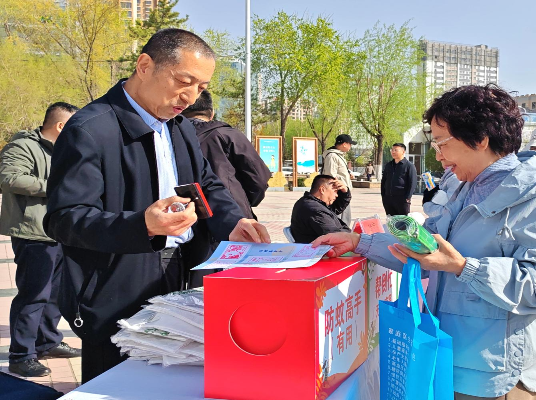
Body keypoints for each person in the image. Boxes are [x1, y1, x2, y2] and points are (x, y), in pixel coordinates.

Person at [313, 84, 536, 399]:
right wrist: (359, 242)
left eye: (441, 143)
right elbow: (427, 251)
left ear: (480, 139)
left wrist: (464, 267)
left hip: (498, 374)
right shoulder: (464, 188)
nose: (438, 156)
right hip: (451, 358)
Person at [44, 28, 270, 383]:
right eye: (184, 81)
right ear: (145, 66)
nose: (191, 96)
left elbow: (205, 185)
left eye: (201, 87)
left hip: (180, 276)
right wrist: (142, 225)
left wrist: (234, 223)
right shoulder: (90, 129)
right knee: (117, 385)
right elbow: (64, 219)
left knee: (173, 382)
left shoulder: (179, 128)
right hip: (116, 288)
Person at [0, 103, 82, 377]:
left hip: (60, 231)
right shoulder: (22, 146)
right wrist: (58, 189)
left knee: (55, 294)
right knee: (34, 295)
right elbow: (9, 178)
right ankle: (21, 355)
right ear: (61, 126)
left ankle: (47, 341)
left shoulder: (64, 150)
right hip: (33, 232)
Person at [181, 90, 272, 220]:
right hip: (231, 215)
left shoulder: (170, 137)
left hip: (186, 217)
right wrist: (243, 199)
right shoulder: (227, 135)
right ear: (212, 113)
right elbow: (258, 177)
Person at [289, 174, 352, 243]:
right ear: (322, 190)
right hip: (321, 247)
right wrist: (353, 236)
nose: (336, 195)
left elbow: (336, 208)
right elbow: (335, 236)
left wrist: (345, 192)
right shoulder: (314, 209)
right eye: (335, 191)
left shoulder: (312, 203)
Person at [322, 134, 356, 225]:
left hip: (343, 192)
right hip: (338, 193)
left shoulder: (338, 156)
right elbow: (329, 176)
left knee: (345, 219)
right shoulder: (332, 156)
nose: (350, 146)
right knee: (339, 220)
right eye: (350, 144)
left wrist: (347, 176)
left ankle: (343, 232)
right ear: (344, 144)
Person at [381, 143, 417, 216]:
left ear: (403, 152)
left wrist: (407, 198)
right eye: (392, 150)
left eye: (396, 150)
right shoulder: (389, 165)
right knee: (391, 221)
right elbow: (383, 181)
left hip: (402, 200)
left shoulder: (409, 166)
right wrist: (383, 196)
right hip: (388, 199)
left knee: (403, 221)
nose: (393, 152)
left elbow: (412, 183)